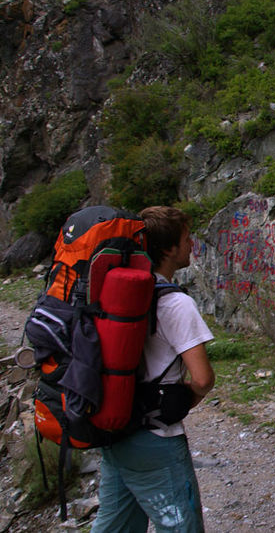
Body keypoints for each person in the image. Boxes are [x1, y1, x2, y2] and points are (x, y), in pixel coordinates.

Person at [91, 206, 215, 533]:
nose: (192, 244)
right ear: (168, 250)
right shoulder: (175, 304)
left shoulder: (117, 295)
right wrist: (179, 400)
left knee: (115, 526)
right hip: (156, 442)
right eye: (187, 239)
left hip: (115, 429)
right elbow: (202, 378)